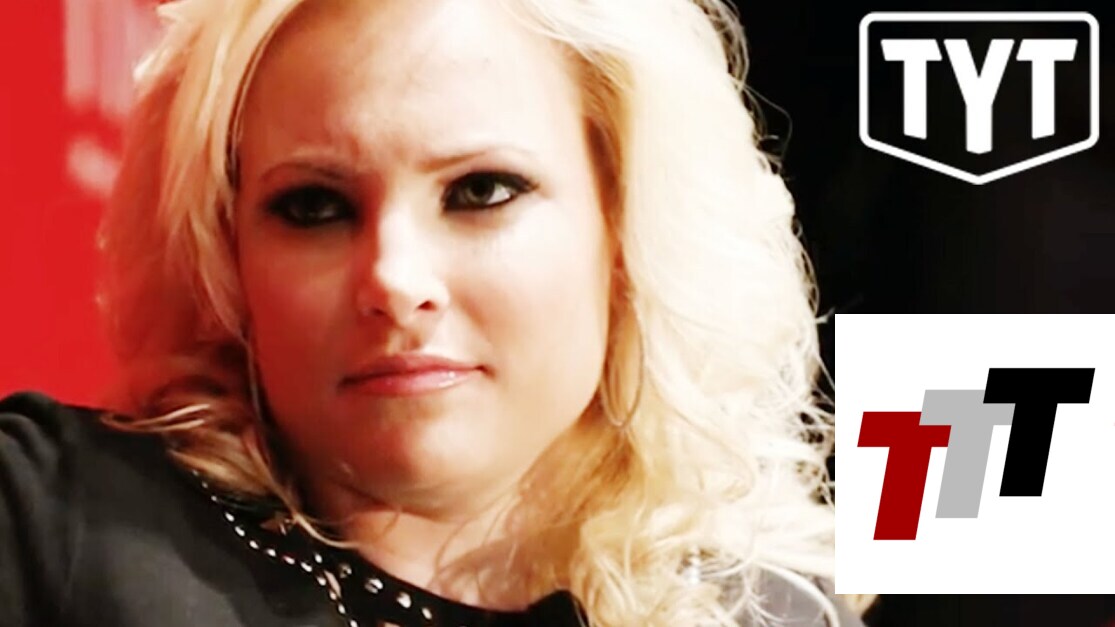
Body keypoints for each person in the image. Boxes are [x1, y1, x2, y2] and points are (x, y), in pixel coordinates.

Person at [0, 0, 865, 625]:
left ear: (621, 224)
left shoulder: (767, 606)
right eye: (313, 206)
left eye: (480, 191)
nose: (392, 277)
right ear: (225, 251)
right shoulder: (48, 520)